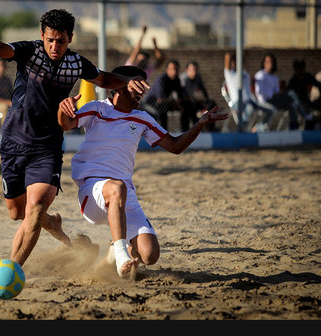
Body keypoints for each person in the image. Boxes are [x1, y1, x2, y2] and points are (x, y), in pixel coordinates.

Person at [0, 9, 150, 267]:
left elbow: (104, 78)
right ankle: (54, 224)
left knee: (36, 207)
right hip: (13, 142)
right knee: (17, 213)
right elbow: (0, 48)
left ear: (70, 38)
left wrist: (126, 82)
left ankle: (12, 269)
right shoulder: (29, 51)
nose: (55, 46)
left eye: (61, 41)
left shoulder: (76, 63)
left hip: (47, 147)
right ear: (42, 35)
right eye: (50, 39)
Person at [57, 65, 228, 278]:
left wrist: (200, 124)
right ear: (119, 87)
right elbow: (67, 124)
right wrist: (62, 110)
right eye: (137, 86)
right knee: (116, 187)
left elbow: (175, 146)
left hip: (123, 194)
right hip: (92, 191)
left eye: (144, 86)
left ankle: (112, 256)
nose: (142, 91)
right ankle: (121, 253)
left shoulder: (142, 118)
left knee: (150, 255)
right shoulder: (98, 109)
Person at [224, 52, 275, 132]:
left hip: (250, 101)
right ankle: (241, 129)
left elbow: (249, 84)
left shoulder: (244, 73)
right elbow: (227, 57)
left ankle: (256, 129)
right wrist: (236, 53)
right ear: (233, 62)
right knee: (249, 108)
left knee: (271, 110)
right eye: (236, 62)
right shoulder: (230, 73)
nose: (238, 64)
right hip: (237, 103)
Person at [254, 53, 302, 130]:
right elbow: (259, 91)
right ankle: (305, 114)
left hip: (275, 101)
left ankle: (293, 126)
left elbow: (277, 91)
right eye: (268, 62)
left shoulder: (274, 77)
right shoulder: (260, 75)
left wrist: (278, 94)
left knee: (291, 105)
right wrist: (272, 94)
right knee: (291, 94)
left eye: (271, 62)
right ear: (264, 63)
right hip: (265, 102)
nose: (270, 64)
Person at [142, 59, 185, 131]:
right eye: (172, 69)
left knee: (186, 108)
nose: (175, 71)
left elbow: (179, 97)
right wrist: (175, 103)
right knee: (161, 111)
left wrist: (179, 105)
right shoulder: (161, 79)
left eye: (176, 69)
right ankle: (162, 133)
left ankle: (184, 131)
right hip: (150, 104)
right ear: (167, 70)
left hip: (165, 103)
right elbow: (160, 99)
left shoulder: (176, 80)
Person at [286, 59, 321, 130]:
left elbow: (319, 85)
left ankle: (320, 125)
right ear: (295, 70)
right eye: (298, 69)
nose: (300, 71)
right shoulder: (293, 80)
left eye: (301, 68)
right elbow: (288, 92)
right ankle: (305, 120)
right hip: (296, 103)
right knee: (297, 103)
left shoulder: (307, 76)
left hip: (306, 100)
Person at [180, 61, 217, 132]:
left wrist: (206, 100)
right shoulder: (183, 79)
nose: (194, 72)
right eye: (192, 70)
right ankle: (186, 131)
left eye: (195, 70)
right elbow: (181, 94)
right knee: (188, 107)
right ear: (187, 70)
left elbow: (203, 90)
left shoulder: (198, 77)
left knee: (212, 105)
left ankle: (211, 128)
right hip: (185, 101)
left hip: (195, 100)